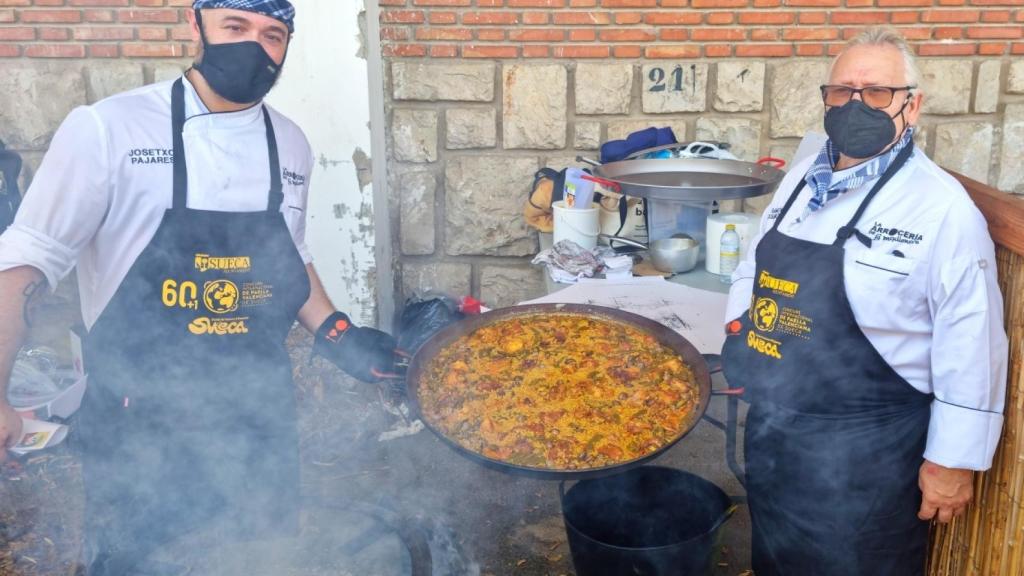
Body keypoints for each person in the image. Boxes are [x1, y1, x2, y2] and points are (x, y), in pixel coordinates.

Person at [0, 1, 397, 573]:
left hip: (258, 411)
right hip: (141, 418)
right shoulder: (109, 129)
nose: (255, 48)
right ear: (196, 25)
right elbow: (28, 259)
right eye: (235, 27)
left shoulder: (290, 144)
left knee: (257, 557)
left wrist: (338, 332)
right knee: (137, 562)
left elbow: (291, 253)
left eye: (273, 35)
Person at [722, 27, 1008, 576]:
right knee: (775, 558)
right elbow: (752, 267)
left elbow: (972, 341)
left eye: (876, 92)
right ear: (825, 99)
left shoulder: (942, 209)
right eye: (842, 91)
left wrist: (952, 461)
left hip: (870, 454)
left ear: (912, 105)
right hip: (778, 432)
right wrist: (743, 339)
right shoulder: (804, 177)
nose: (857, 104)